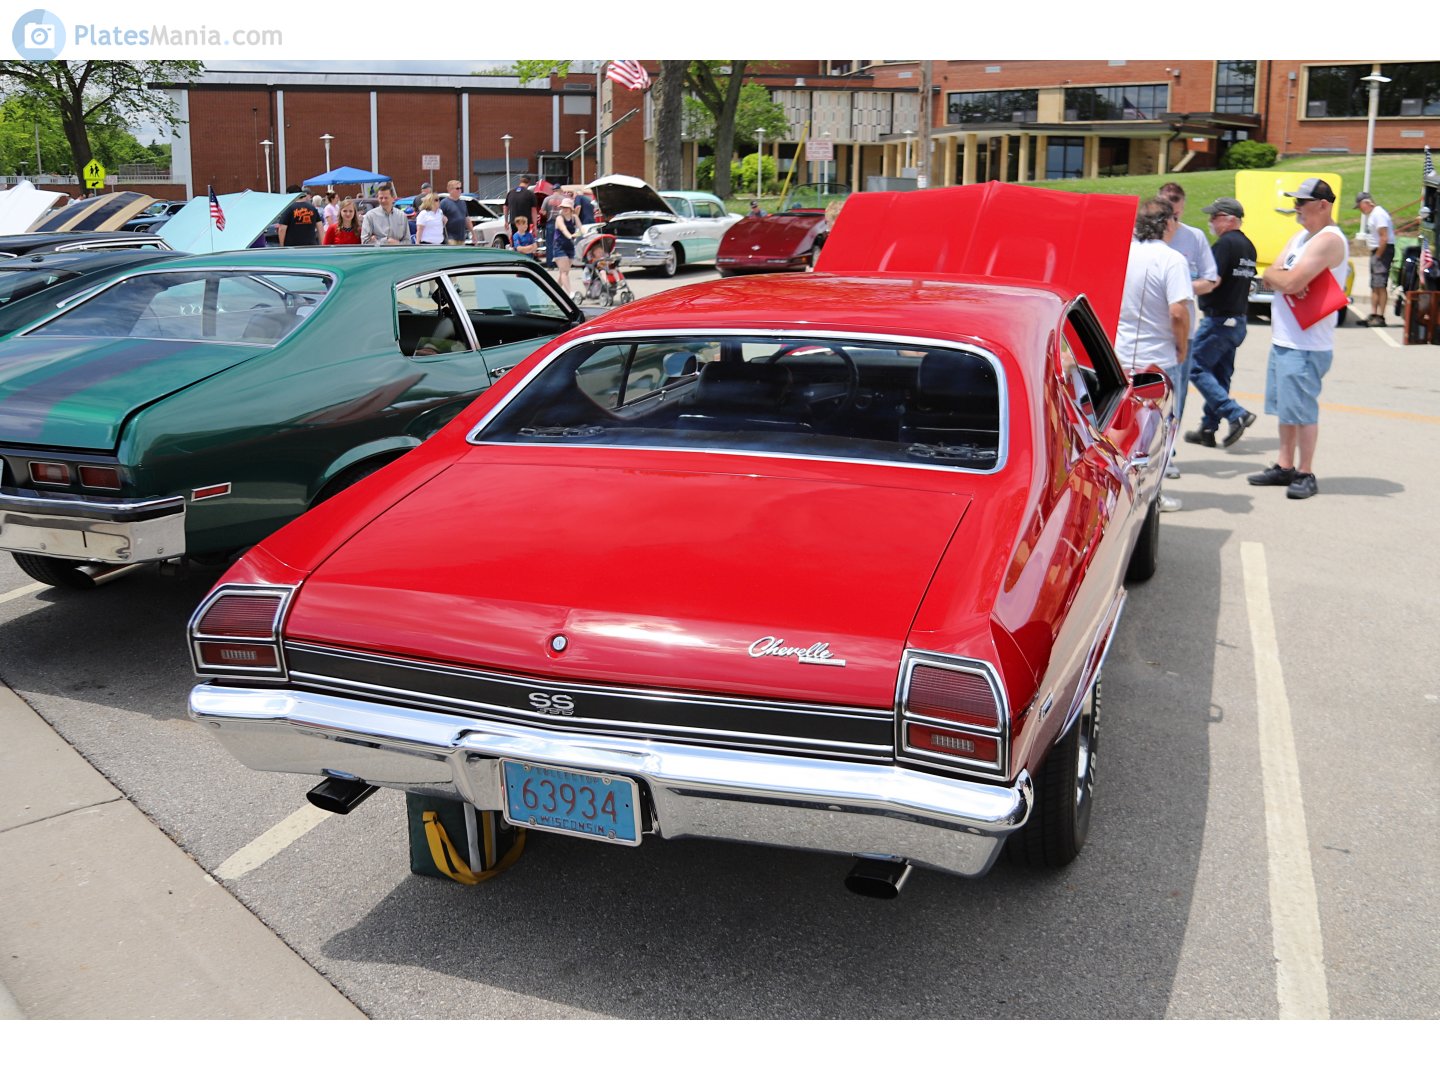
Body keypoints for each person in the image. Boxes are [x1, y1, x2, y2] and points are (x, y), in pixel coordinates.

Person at [1249, 178, 1348, 500]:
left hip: (1306, 344)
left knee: (1302, 411)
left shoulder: (1329, 239)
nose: (1296, 208)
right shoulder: (1302, 237)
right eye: (1295, 202)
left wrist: (1285, 280)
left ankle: (1306, 472)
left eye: (1302, 203)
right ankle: (1285, 465)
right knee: (1286, 409)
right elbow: (1270, 274)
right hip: (1287, 339)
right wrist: (1284, 279)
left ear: (1323, 205)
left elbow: (1287, 281)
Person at [1114, 198, 1193, 513]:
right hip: (1157, 360)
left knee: (1123, 431)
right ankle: (1152, 498)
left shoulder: (1125, 254)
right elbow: (1177, 312)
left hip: (1121, 357)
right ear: (1168, 223)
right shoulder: (1172, 260)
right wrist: (1183, 344)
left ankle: (1121, 497)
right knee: (1157, 434)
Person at [1184, 196, 1258, 448]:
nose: (1210, 222)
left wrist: (1183, 284)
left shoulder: (1225, 245)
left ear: (1229, 219)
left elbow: (1210, 279)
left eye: (1214, 217)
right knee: (1220, 374)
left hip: (1219, 320)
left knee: (1194, 366)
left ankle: (1235, 413)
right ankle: (1208, 428)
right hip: (1237, 320)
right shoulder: (1249, 246)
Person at [1157, 182, 1219, 441]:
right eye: (1164, 214)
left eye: (1175, 215)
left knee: (1177, 391)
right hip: (1147, 328)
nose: (1170, 221)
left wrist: (1181, 287)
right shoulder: (1140, 239)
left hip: (1182, 329)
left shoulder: (1194, 237)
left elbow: (1211, 279)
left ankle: (1169, 450)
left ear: (1182, 209)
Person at [1354, 191, 1394, 326]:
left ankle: (1381, 316)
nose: (1360, 210)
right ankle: (1374, 314)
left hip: (1382, 251)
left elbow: (1384, 237)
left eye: (1360, 206)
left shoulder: (1379, 214)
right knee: (1374, 285)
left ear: (1366, 203)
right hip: (1377, 251)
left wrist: (1378, 256)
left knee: (1380, 284)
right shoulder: (1373, 215)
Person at [551, 198, 579, 291]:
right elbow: (563, 229)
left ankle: (553, 294)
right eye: (563, 207)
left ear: (571, 208)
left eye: (567, 207)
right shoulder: (559, 218)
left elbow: (581, 229)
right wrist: (570, 236)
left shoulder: (574, 217)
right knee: (564, 272)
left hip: (570, 247)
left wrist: (583, 233)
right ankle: (570, 294)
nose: (564, 209)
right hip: (559, 247)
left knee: (564, 273)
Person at [540, 186, 566, 268]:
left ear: (553, 190)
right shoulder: (563, 199)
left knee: (550, 244)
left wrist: (547, 213)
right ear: (559, 190)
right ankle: (560, 263)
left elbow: (542, 212)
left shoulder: (547, 199)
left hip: (550, 223)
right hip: (561, 223)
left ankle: (550, 264)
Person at [440, 180, 470, 245]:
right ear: (450, 190)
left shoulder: (463, 203)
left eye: (460, 188)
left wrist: (473, 234)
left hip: (462, 238)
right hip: (450, 238)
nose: (460, 190)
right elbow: (438, 218)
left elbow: (467, 219)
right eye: (457, 188)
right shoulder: (444, 203)